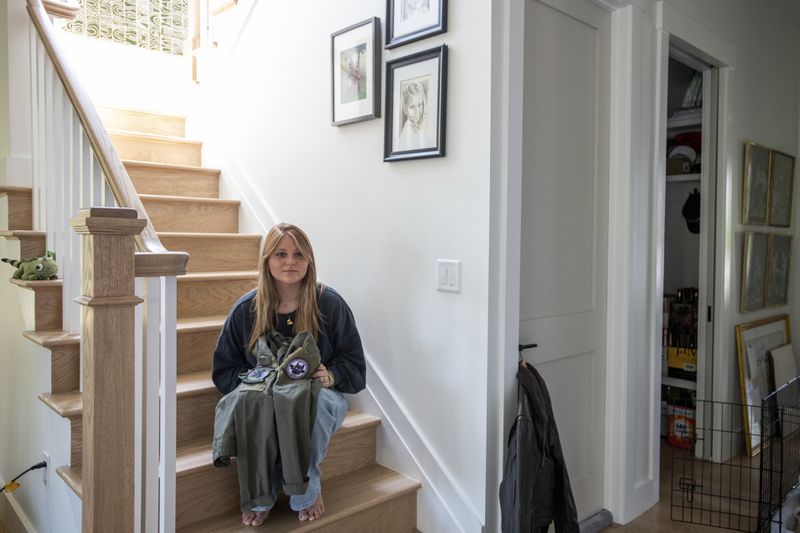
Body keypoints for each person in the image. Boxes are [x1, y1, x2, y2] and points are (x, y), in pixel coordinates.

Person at [212, 223, 366, 527]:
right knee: (256, 406)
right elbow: (223, 370)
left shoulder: (330, 304)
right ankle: (261, 493)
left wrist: (331, 376)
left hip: (320, 395)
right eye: (280, 254)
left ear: (309, 260)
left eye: (298, 254)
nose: (290, 262)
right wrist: (261, 384)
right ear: (266, 260)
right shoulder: (246, 310)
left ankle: (306, 491)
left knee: (307, 406)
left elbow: (356, 367)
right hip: (263, 394)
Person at [398, 80, 434, 150]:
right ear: (405, 109)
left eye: (419, 105)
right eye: (412, 107)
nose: (417, 112)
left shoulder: (420, 126)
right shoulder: (407, 132)